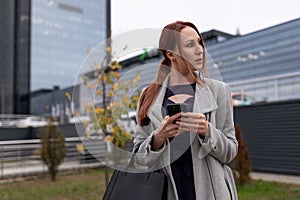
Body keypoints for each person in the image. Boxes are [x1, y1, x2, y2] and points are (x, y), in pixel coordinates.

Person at [133, 21, 238, 200]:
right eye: (190, 45)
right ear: (171, 54)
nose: (200, 50)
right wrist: (158, 138)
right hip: (166, 192)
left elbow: (230, 152)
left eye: (199, 42)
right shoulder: (149, 95)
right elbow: (138, 159)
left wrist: (206, 130)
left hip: (212, 193)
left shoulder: (219, 90)